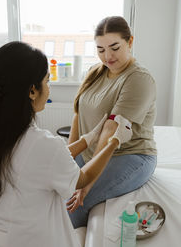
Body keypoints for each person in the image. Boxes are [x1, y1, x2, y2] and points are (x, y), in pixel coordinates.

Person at [0, 41, 133, 247]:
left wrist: (87, 140)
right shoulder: (42, 144)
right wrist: (114, 141)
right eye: (47, 82)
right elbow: (81, 179)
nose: (48, 89)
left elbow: (32, 161)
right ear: (32, 90)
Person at [67, 16, 157, 228]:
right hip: (92, 153)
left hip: (130, 155)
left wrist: (88, 183)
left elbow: (111, 128)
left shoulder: (138, 79)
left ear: (130, 42)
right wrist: (68, 155)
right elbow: (78, 116)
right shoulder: (95, 72)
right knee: (54, 192)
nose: (107, 56)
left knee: (74, 205)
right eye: (100, 49)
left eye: (114, 47)